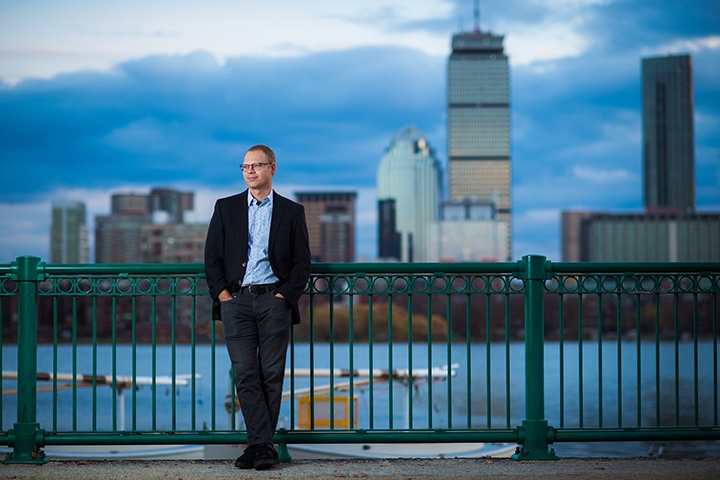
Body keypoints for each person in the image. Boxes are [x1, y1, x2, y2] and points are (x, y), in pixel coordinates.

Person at [204, 144, 311, 470]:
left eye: (257, 165)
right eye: (245, 166)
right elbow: (212, 258)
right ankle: (263, 446)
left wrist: (283, 298)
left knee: (271, 375)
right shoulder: (226, 208)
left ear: (272, 168)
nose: (250, 171)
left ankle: (257, 447)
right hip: (236, 302)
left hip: (273, 301)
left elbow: (301, 264)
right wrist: (223, 296)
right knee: (246, 373)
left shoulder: (292, 212)